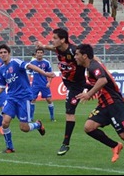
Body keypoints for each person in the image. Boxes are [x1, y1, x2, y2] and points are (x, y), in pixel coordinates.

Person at [74, 44, 124, 168]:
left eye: (77, 54)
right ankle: (115, 145)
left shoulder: (93, 66)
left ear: (84, 56)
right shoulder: (91, 65)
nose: (75, 57)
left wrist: (88, 94)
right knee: (88, 127)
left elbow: (103, 80)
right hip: (104, 104)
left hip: (114, 103)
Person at [0, 44, 55, 153]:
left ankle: (38, 125)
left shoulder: (16, 63)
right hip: (11, 98)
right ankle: (10, 147)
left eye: (5, 52)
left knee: (24, 128)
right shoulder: (1, 70)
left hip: (24, 98)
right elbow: (1, 87)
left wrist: (45, 73)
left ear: (9, 53)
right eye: (1, 53)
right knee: (5, 123)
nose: (3, 54)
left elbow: (30, 66)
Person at [35, 28, 87, 156]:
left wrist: (97, 70)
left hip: (76, 86)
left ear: (63, 40)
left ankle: (65, 143)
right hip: (68, 82)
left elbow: (90, 60)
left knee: (69, 112)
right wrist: (43, 46)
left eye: (55, 38)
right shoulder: (59, 48)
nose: (52, 40)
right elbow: (54, 49)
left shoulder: (74, 51)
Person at [28, 48, 55, 122]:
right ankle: (31, 117)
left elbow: (50, 74)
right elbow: (29, 73)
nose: (39, 54)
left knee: (49, 99)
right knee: (32, 100)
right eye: (38, 52)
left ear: (43, 54)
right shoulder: (32, 62)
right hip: (35, 85)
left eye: (41, 52)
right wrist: (28, 83)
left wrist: (49, 82)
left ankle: (52, 117)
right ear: (36, 54)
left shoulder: (46, 63)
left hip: (44, 84)